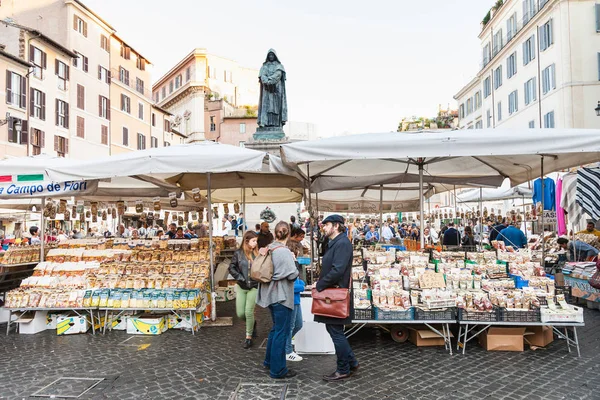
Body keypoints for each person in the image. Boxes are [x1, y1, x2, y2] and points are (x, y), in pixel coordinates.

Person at [314, 214, 358, 382]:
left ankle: (343, 369)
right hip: (332, 292)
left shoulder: (342, 243)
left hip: (335, 294)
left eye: (326, 225)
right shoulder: (335, 242)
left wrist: (319, 285)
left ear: (336, 226)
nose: (323, 227)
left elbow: (337, 270)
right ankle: (352, 362)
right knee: (334, 330)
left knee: (336, 332)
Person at [256, 221, 299, 379]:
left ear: (275, 233)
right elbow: (293, 274)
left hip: (269, 295)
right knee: (282, 331)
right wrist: (294, 261)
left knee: (276, 329)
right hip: (281, 295)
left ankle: (269, 361)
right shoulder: (284, 251)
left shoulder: (269, 248)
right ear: (288, 234)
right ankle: (278, 370)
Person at [229, 231, 260, 349]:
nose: (255, 243)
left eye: (256, 241)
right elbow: (231, 267)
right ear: (247, 241)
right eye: (253, 241)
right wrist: (239, 277)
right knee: (240, 313)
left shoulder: (257, 254)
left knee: (248, 311)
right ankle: (253, 323)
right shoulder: (238, 253)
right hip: (242, 285)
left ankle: (248, 337)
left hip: (254, 286)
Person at [286, 271, 305, 362]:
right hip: (290, 301)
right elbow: (289, 287)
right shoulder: (286, 265)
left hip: (296, 301)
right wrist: (301, 287)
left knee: (298, 324)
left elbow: (300, 282)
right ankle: (288, 351)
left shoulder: (293, 266)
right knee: (291, 326)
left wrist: (301, 285)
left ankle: (285, 344)